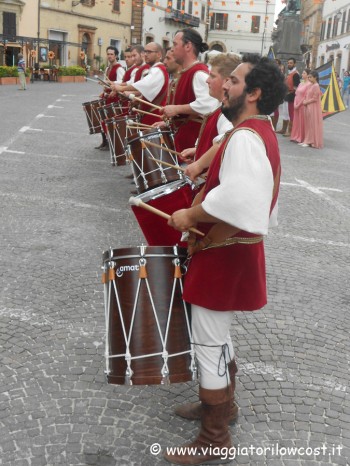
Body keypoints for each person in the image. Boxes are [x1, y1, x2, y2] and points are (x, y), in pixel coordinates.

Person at [164, 54, 286, 465]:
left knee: (209, 340)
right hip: (232, 250)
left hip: (225, 252)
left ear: (253, 94)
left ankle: (214, 437)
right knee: (218, 335)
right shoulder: (256, 129)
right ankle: (224, 408)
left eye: (233, 81)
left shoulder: (248, 136)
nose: (225, 86)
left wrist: (190, 215)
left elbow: (238, 199)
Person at [161, 28, 218, 152]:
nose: (172, 48)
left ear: (188, 46)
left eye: (175, 44)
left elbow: (209, 104)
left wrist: (177, 109)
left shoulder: (198, 73)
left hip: (193, 143)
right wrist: (168, 123)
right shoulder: (186, 72)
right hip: (184, 141)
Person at [178, 53, 239, 168]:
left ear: (226, 81)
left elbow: (224, 141)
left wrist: (198, 166)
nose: (207, 80)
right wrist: (198, 150)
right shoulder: (219, 107)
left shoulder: (227, 114)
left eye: (212, 76)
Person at [111, 43, 169, 125]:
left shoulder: (158, 70)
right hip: (148, 115)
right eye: (145, 52)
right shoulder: (155, 69)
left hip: (153, 118)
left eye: (149, 52)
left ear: (159, 54)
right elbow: (150, 91)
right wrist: (139, 99)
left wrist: (121, 88)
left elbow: (144, 84)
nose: (145, 54)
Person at [96, 46, 125, 150]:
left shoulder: (119, 68)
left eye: (111, 54)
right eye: (108, 54)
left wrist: (109, 83)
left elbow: (122, 82)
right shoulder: (108, 68)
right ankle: (104, 142)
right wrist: (103, 90)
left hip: (114, 98)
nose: (109, 56)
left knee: (110, 120)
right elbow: (106, 83)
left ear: (116, 55)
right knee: (102, 119)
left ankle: (111, 143)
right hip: (106, 96)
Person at [300, 70, 323, 149]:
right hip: (308, 106)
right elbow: (307, 94)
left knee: (311, 125)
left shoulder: (316, 86)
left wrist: (306, 102)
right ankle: (306, 140)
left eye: (310, 77)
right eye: (308, 77)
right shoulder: (311, 85)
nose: (309, 79)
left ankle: (310, 141)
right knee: (307, 124)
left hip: (312, 107)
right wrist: (304, 100)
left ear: (315, 77)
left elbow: (315, 98)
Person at [277, 57, 300, 137]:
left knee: (291, 114)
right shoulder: (289, 73)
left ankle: (290, 131)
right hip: (287, 95)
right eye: (288, 63)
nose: (289, 64)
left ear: (294, 64)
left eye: (291, 63)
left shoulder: (296, 74)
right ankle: (283, 129)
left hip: (291, 97)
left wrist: (289, 93)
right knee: (285, 113)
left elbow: (296, 87)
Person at [290, 68, 311, 144]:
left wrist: (298, 105)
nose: (302, 74)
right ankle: (295, 135)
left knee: (301, 121)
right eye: (302, 73)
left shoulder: (309, 84)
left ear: (308, 75)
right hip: (296, 103)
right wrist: (295, 103)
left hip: (302, 105)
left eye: (304, 73)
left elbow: (306, 96)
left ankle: (300, 137)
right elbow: (296, 94)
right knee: (296, 121)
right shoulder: (300, 83)